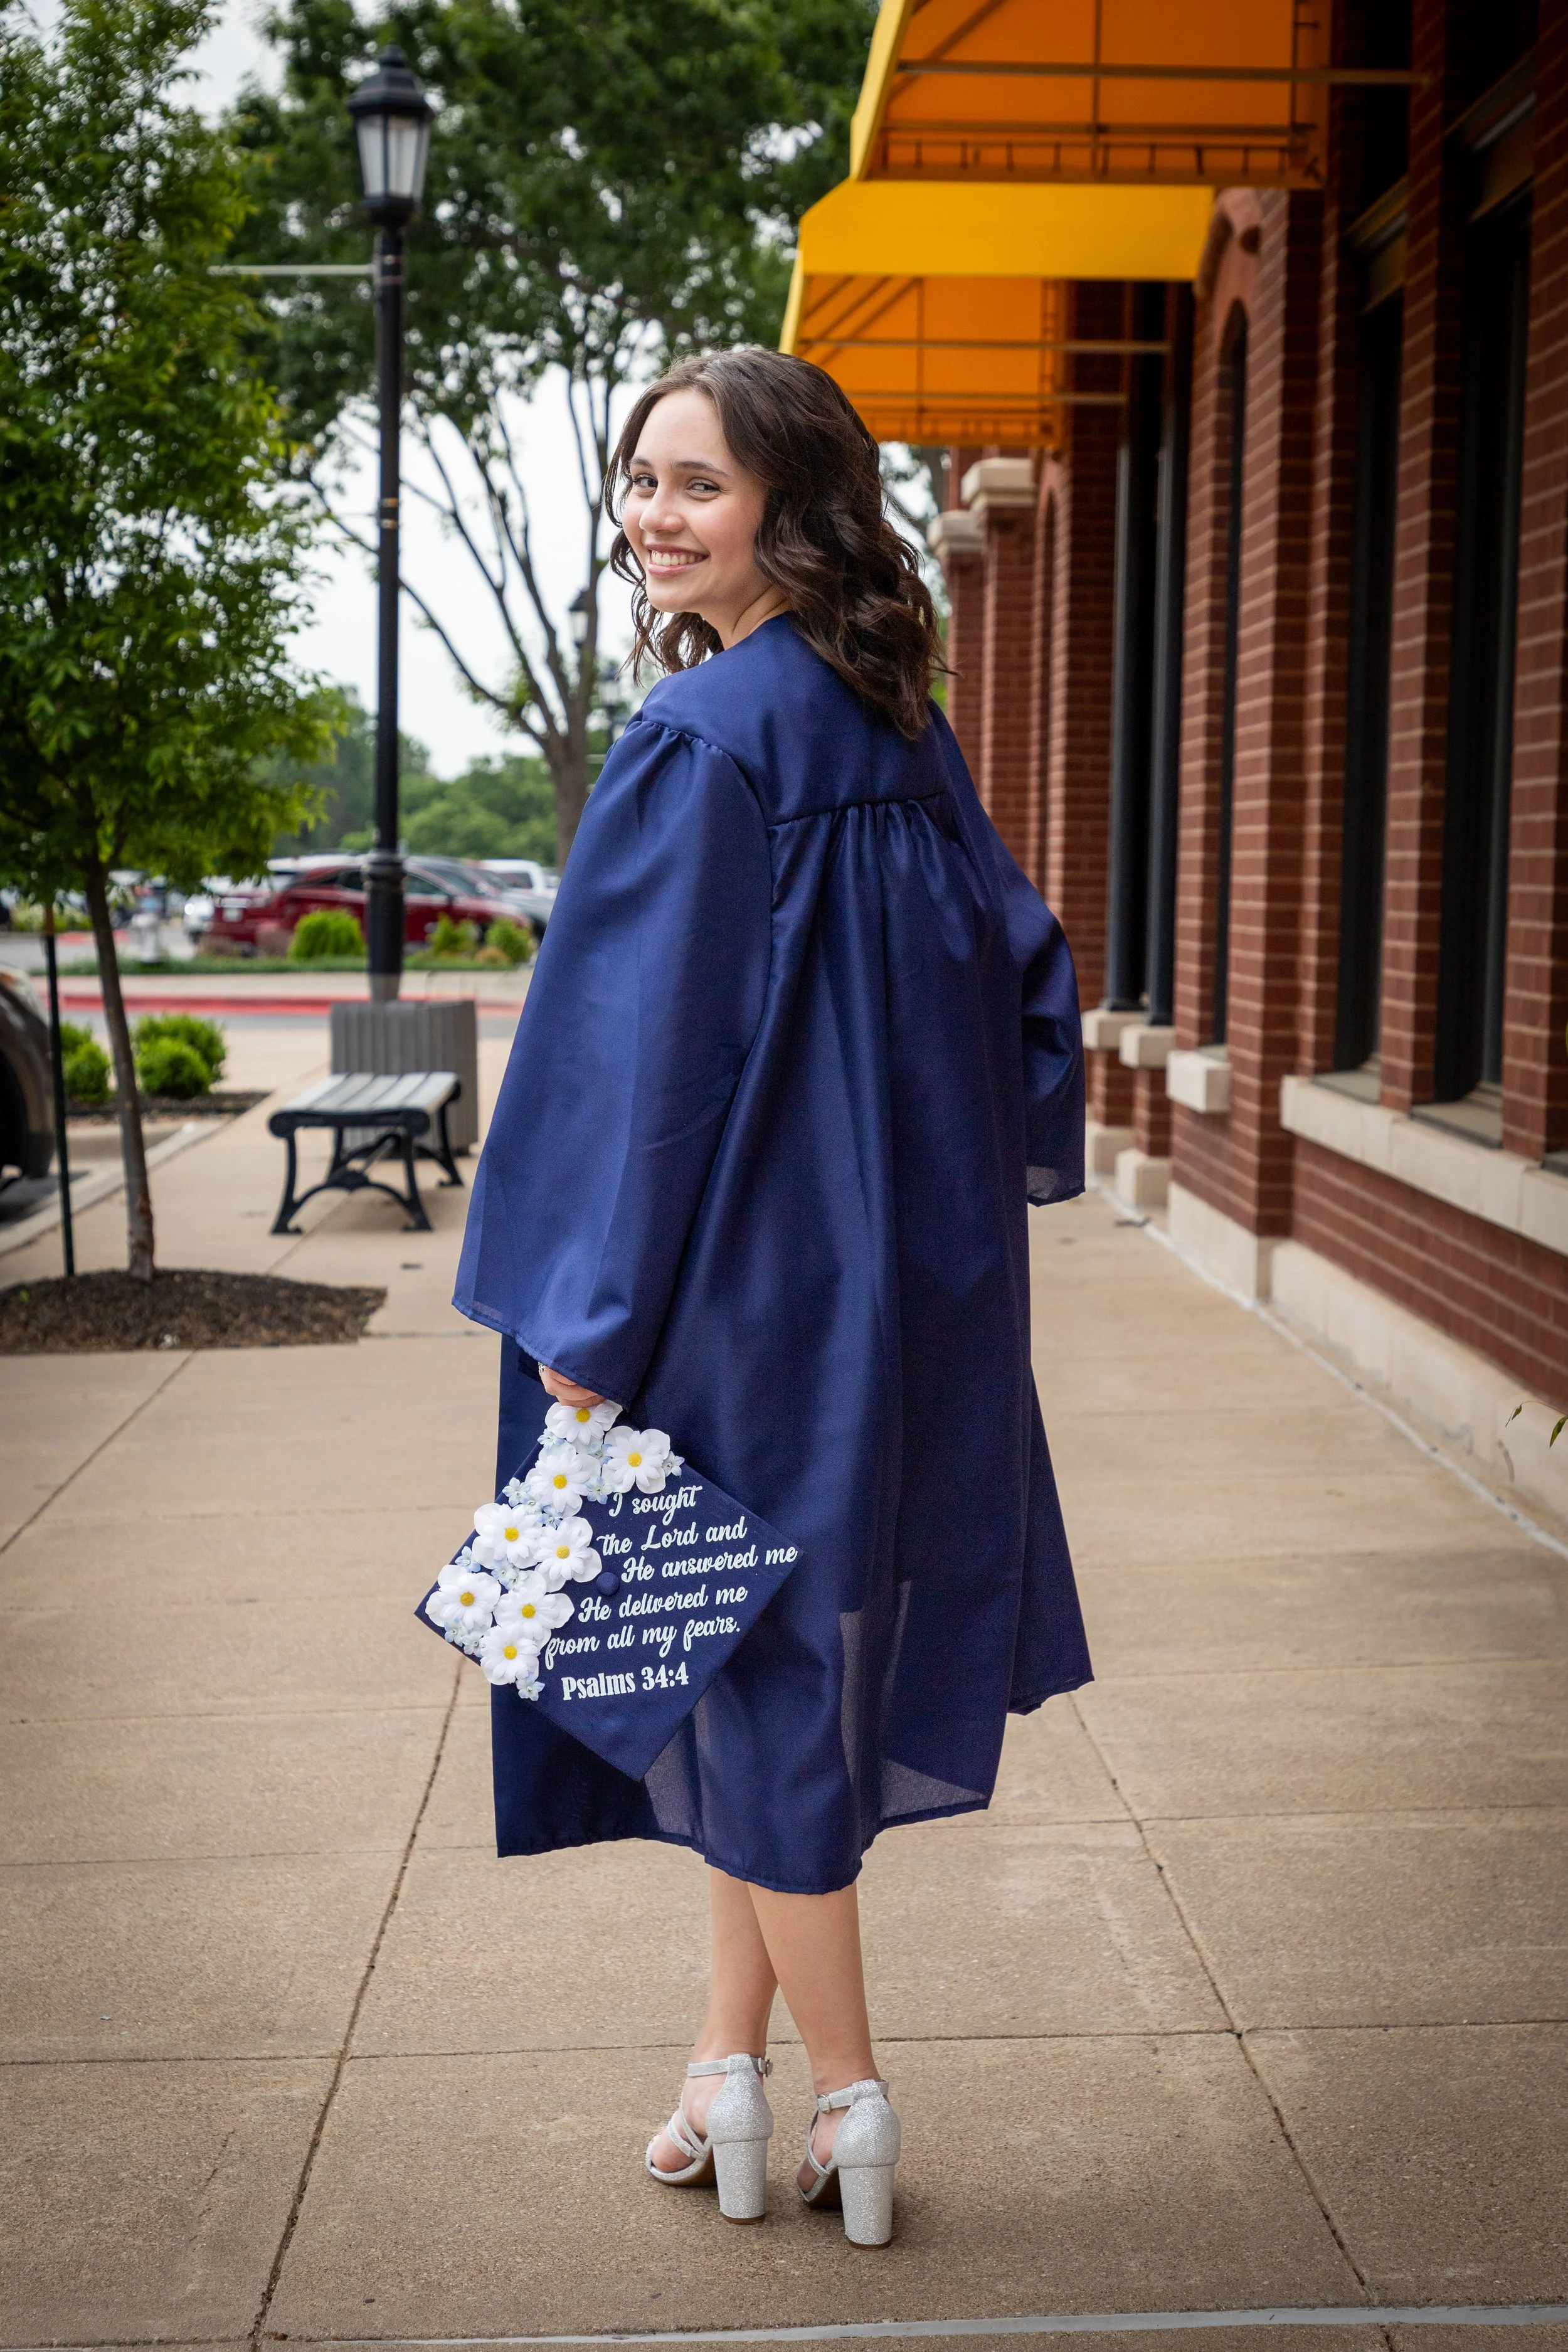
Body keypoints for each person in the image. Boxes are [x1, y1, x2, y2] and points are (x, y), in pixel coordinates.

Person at [452, 347, 1090, 2248]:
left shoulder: (707, 739)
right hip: (901, 1285)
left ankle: (851, 2097)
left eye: (694, 485)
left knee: (772, 1687)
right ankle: (718, 2071)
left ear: (791, 510)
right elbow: (1025, 980)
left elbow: (640, 1071)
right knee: (744, 1675)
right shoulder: (893, 722)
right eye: (638, 482)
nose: (653, 517)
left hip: (728, 1299)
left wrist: (583, 1313)